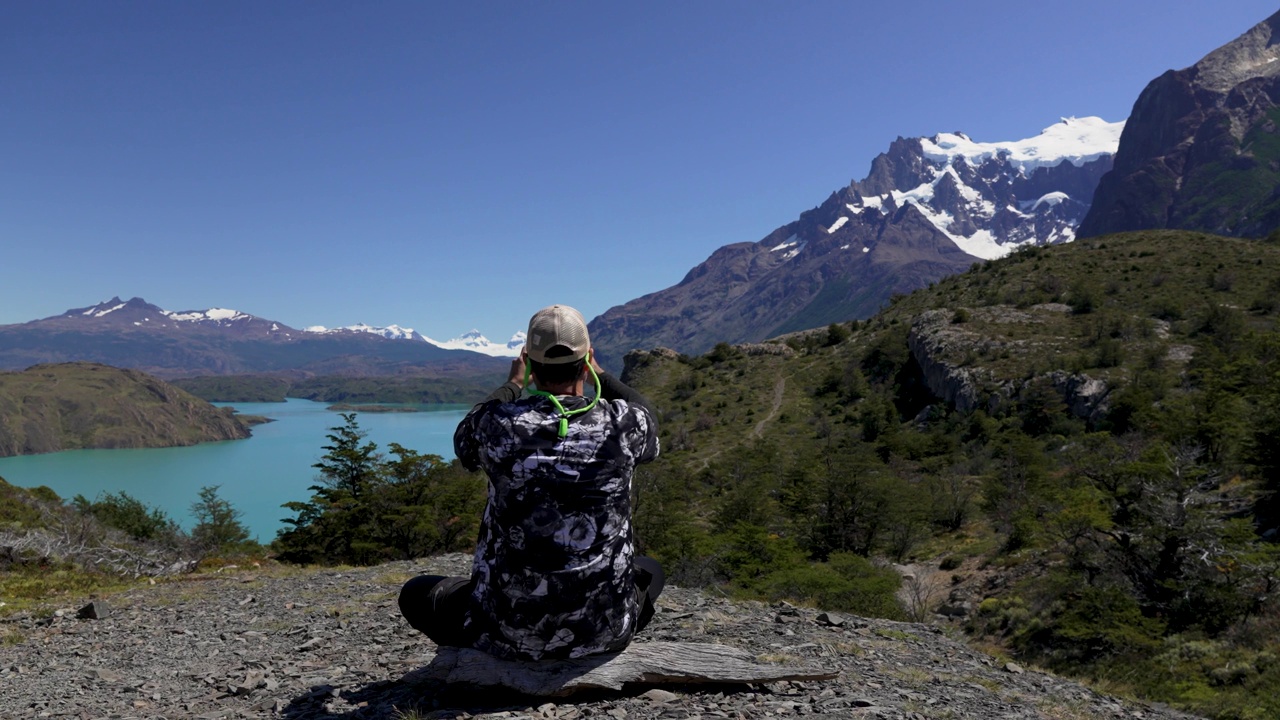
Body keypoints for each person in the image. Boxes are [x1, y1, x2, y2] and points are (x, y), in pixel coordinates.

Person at [398, 304, 662, 661]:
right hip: (602, 632)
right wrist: (600, 371)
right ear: (586, 363)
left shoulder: (497, 424)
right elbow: (646, 414)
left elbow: (466, 437)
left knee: (416, 593)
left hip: (506, 631)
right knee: (650, 571)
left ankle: (482, 655)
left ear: (530, 366)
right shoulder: (623, 423)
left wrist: (512, 384)